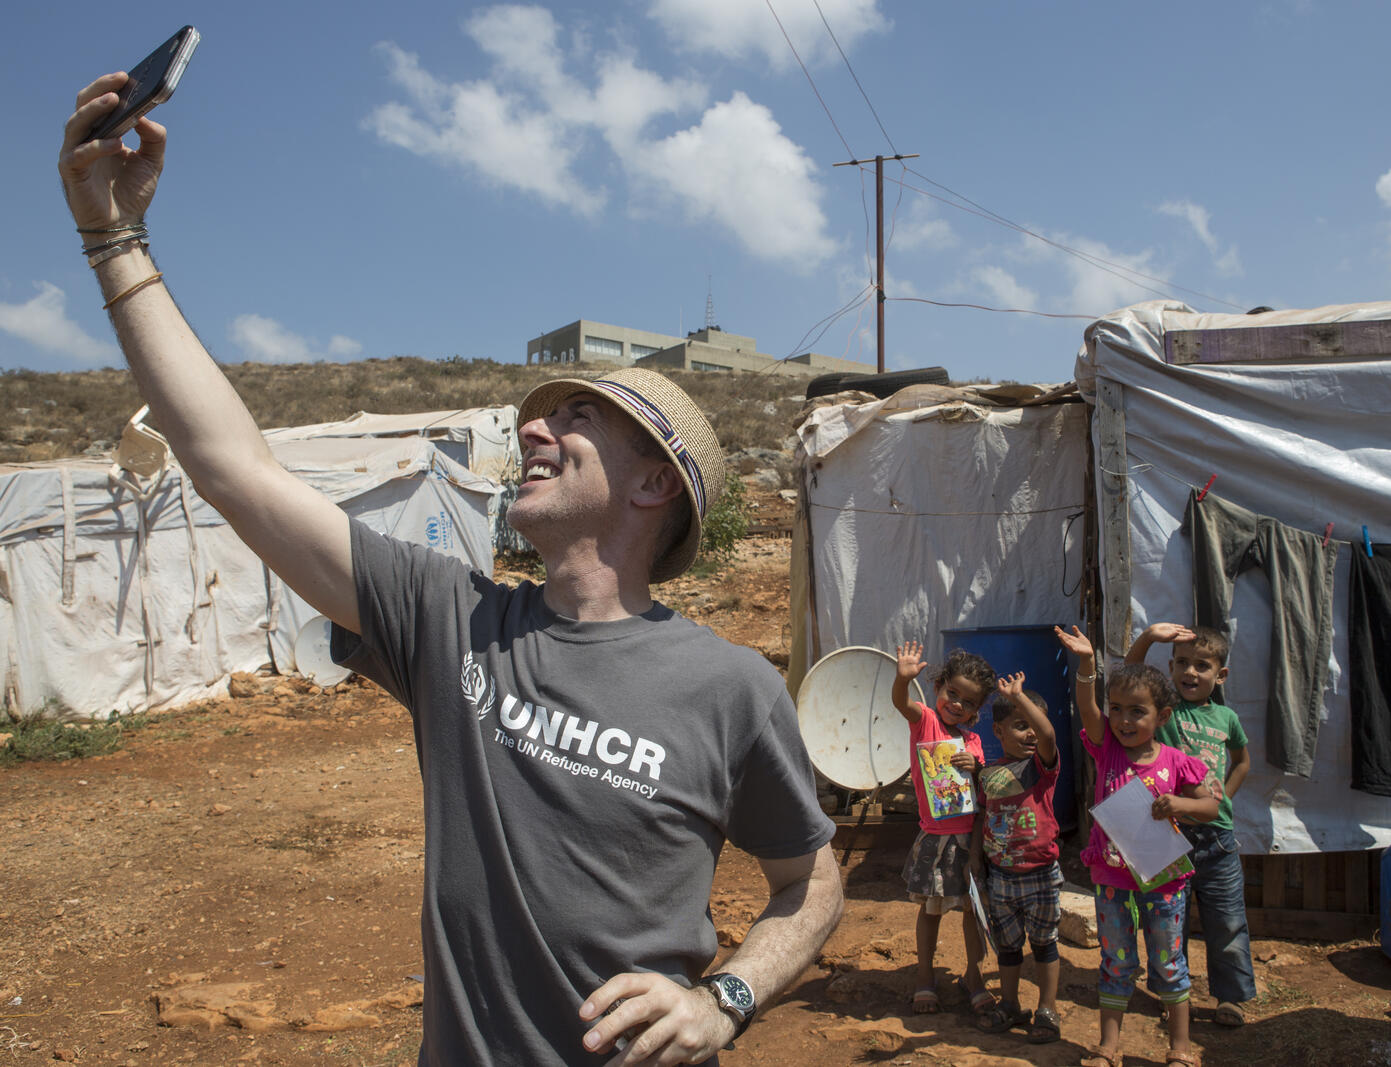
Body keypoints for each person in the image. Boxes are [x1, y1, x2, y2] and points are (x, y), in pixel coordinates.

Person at [59, 74, 843, 1066]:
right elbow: (232, 467)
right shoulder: (449, 621)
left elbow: (813, 880)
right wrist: (112, 236)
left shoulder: (729, 687)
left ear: (654, 483)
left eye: (576, 418)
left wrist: (726, 996)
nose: (533, 428)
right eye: (541, 416)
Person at [1056, 626, 1216, 1067]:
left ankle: (1180, 1050)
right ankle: (1108, 1048)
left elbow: (1211, 805)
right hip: (1112, 880)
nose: (1124, 720)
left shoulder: (1178, 762)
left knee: (1169, 962)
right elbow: (1087, 706)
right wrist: (1086, 664)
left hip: (1164, 881)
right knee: (1116, 960)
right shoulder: (1107, 748)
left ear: (1162, 716)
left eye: (1137, 711)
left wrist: (1180, 804)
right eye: (1117, 709)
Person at [1127, 623, 1255, 1027]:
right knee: (1167, 922)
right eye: (1182, 663)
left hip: (1218, 838)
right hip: (1170, 832)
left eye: (1202, 665)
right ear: (1170, 668)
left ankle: (1230, 998)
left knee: (1227, 920)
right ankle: (1172, 995)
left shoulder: (1227, 718)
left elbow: (1242, 761)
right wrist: (1148, 637)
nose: (1191, 672)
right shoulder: (1164, 711)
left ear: (1221, 674)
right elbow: (1129, 677)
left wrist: (1223, 799)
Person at [891, 640, 998, 1017]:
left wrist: (977, 768)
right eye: (952, 693)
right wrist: (902, 680)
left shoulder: (973, 742)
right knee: (931, 910)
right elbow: (901, 704)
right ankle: (925, 977)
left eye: (968, 702)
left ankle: (975, 977)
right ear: (939, 687)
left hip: (970, 842)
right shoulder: (925, 721)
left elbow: (982, 793)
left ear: (976, 710)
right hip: (935, 840)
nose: (957, 704)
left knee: (973, 912)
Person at [967, 676, 1063, 1044]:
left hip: (1040, 874)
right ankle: (1009, 1004)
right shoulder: (990, 775)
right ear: (998, 730)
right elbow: (981, 816)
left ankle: (1047, 1010)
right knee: (1007, 946)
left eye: (1034, 723)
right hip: (1001, 876)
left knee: (1044, 943)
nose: (1031, 734)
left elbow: (1049, 735)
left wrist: (1020, 699)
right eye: (1021, 725)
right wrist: (975, 857)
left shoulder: (1042, 767)